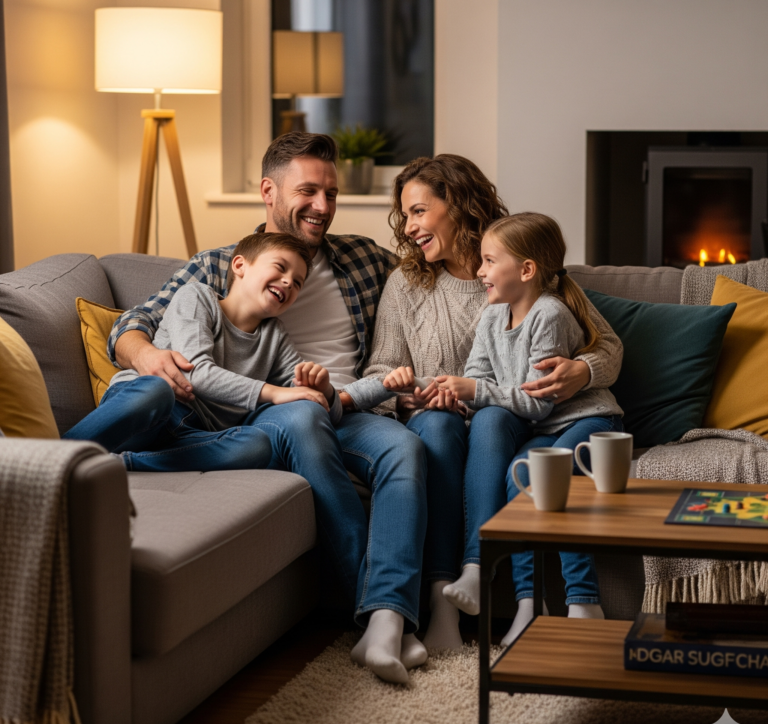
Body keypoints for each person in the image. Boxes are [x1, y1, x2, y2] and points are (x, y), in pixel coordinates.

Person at [105, 132, 428, 685]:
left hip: (352, 407)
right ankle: (365, 603)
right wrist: (151, 356)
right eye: (308, 191)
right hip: (270, 410)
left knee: (407, 448)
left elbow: (439, 273)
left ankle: (387, 616)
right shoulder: (216, 267)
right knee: (300, 416)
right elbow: (128, 325)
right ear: (268, 191)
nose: (323, 207)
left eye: (331, 193)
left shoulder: (364, 259)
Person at [343, 156, 623, 649]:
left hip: (509, 418)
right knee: (437, 427)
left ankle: (492, 588)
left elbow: (608, 346)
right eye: (404, 215)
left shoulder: (525, 276)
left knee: (490, 419)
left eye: (418, 212)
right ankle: (443, 608)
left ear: (457, 206)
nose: (408, 229)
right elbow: (379, 371)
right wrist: (410, 399)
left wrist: (582, 371)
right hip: (446, 420)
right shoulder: (406, 285)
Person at [430, 212, 624, 646]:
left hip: (589, 420)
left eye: (488, 261)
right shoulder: (491, 317)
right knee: (521, 479)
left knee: (544, 477)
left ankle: (583, 601)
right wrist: (446, 391)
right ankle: (528, 606)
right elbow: (478, 378)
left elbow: (537, 401)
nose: (479, 271)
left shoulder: (550, 313)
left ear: (527, 270)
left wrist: (478, 389)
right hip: (546, 428)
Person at [65, 232, 343, 470]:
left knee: (256, 444)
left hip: (189, 433)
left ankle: (124, 463)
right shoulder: (197, 296)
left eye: (297, 283)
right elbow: (195, 373)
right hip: (144, 411)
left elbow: (308, 398)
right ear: (240, 265)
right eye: (280, 268)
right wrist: (274, 391)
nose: (287, 282)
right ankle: (56, 455)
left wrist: (320, 389)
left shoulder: (276, 336)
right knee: (157, 389)